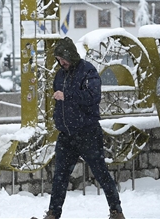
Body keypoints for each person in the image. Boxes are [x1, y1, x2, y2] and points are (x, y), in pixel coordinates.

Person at [35, 37, 125, 219]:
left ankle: (116, 211)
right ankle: (53, 213)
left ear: (71, 55)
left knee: (101, 173)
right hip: (66, 134)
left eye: (63, 59)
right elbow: (58, 101)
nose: (61, 63)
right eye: (58, 60)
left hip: (87, 132)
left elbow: (93, 96)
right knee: (59, 176)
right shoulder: (60, 75)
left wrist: (67, 95)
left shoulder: (88, 71)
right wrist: (57, 117)